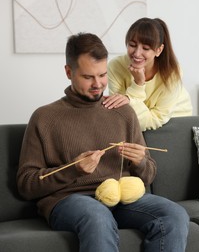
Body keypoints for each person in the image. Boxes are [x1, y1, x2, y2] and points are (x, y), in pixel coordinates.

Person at [17, 32, 189, 252]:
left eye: (102, 75)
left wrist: (140, 163)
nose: (98, 84)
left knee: (174, 214)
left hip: (122, 197)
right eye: (88, 77)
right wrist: (73, 170)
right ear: (69, 72)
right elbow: (25, 185)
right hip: (71, 200)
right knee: (97, 216)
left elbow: (149, 174)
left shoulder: (123, 112)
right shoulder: (44, 117)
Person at [104, 17, 193, 131]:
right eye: (132, 45)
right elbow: (121, 114)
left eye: (145, 48)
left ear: (158, 50)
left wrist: (131, 96)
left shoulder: (172, 72)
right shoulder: (116, 66)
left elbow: (155, 119)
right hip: (138, 125)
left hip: (175, 121)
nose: (137, 53)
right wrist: (138, 83)